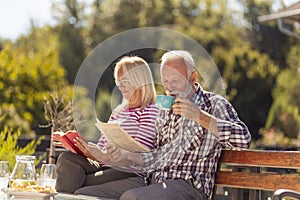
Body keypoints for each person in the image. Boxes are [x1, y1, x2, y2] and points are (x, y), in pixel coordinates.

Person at [75, 50, 251, 200]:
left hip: (189, 187)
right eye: (165, 82)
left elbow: (243, 140)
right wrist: (123, 156)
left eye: (176, 80)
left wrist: (200, 117)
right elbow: (156, 157)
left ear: (193, 77)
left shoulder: (213, 104)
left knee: (132, 198)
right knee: (83, 194)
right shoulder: (165, 109)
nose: (170, 88)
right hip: (154, 182)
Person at [53, 56, 159, 193]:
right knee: (67, 158)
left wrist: (108, 156)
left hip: (127, 170)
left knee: (76, 182)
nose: (120, 86)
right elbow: (102, 147)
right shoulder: (119, 111)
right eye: (118, 82)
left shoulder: (150, 111)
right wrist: (86, 149)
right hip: (105, 164)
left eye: (124, 81)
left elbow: (141, 152)